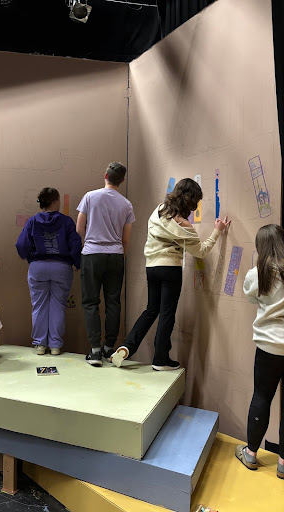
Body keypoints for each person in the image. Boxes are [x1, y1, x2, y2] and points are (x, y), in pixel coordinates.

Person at [111, 178, 230, 371]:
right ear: (191, 201)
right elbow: (201, 251)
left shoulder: (157, 211)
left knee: (151, 310)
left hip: (151, 268)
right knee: (167, 313)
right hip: (170, 269)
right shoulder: (184, 225)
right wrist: (217, 231)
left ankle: (127, 346)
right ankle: (160, 359)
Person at [235, 224, 284, 479]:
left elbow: (251, 297)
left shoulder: (258, 273)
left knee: (262, 396)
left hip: (268, 346)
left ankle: (251, 454)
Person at [76, 162, 135, 366]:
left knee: (91, 302)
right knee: (113, 302)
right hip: (115, 255)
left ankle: (94, 352)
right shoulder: (126, 204)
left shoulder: (90, 197)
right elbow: (126, 238)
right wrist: (120, 255)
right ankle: (109, 347)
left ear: (105, 175)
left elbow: (79, 227)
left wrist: (92, 240)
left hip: (92, 253)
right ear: (122, 181)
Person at [16, 187, 81, 355]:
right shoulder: (66, 222)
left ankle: (39, 344)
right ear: (54, 201)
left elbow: (21, 245)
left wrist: (29, 256)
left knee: (39, 306)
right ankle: (55, 346)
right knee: (58, 305)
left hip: (38, 267)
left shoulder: (32, 221)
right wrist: (77, 263)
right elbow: (75, 245)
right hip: (61, 267)